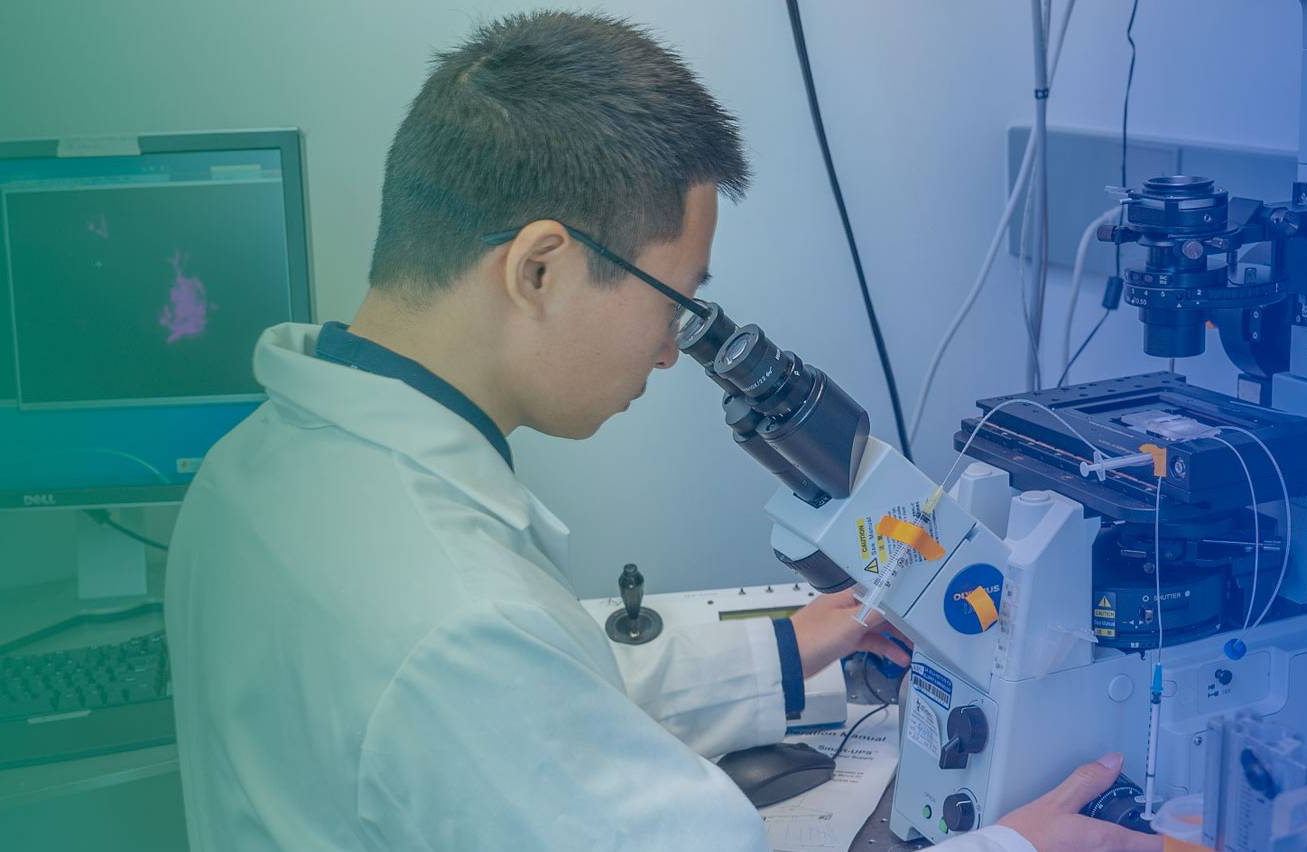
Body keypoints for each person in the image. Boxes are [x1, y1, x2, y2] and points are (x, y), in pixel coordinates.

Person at [165, 11, 1158, 852]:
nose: (672, 353)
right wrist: (1016, 845)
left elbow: (540, 702)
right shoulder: (456, 619)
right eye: (675, 301)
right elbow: (497, 683)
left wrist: (801, 641)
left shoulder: (254, 466)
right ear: (539, 267)